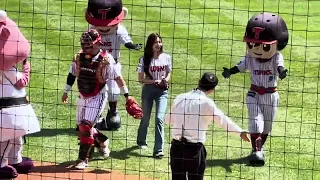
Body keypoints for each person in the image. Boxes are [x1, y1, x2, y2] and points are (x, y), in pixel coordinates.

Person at [61, 29, 142, 169]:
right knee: (80, 130)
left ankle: (82, 160)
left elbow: (117, 78)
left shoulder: (106, 59)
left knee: (86, 126)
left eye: (88, 44)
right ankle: (102, 141)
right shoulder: (79, 57)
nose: (85, 47)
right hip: (82, 96)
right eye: (84, 44)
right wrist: (66, 91)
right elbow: (72, 74)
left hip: (98, 96)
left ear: (97, 43)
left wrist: (127, 95)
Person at [222, 12, 289, 166]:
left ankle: (258, 149)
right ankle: (257, 151)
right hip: (254, 93)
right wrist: (230, 71)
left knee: (267, 126)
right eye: (252, 44)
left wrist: (281, 72)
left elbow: (279, 66)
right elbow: (241, 66)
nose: (257, 49)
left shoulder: (276, 56)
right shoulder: (249, 57)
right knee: (255, 121)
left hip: (271, 95)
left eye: (264, 46)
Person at [165, 72, 250, 180]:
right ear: (212, 89)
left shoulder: (180, 97)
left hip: (176, 148)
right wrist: (240, 132)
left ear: (198, 82)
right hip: (194, 151)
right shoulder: (206, 103)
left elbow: (168, 120)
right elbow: (222, 120)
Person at [84, 0, 143, 131]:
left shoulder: (119, 31)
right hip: (94, 65)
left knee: (113, 91)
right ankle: (93, 116)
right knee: (92, 91)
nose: (104, 27)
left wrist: (132, 45)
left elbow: (126, 41)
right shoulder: (91, 31)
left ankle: (113, 111)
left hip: (113, 64)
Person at [0, 10, 40, 179]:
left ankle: (15, 160)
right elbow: (21, 81)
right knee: (8, 135)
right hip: (7, 108)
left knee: (17, 135)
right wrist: (26, 69)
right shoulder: (6, 69)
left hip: (14, 106)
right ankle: (1, 164)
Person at [136, 33, 172, 158]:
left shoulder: (166, 57)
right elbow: (141, 80)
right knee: (145, 118)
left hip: (162, 92)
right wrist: (153, 81)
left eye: (160, 42)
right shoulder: (144, 59)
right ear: (150, 44)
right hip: (148, 90)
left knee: (159, 118)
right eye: (156, 42)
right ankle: (141, 141)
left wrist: (165, 80)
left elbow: (168, 72)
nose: (158, 44)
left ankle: (158, 149)